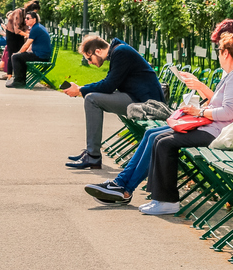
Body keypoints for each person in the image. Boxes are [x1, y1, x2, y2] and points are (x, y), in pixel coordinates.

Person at [134, 32, 233, 215]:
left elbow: (228, 112)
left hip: (220, 133)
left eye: (219, 50)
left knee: (165, 142)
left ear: (226, 53)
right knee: (160, 138)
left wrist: (199, 112)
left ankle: (167, 201)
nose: (218, 54)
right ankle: (159, 197)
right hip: (216, 128)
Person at [63, 34, 168, 171]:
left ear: (98, 51)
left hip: (146, 104)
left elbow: (108, 85)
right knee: (93, 96)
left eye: (89, 58)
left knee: (92, 99)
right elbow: (109, 83)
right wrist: (82, 89)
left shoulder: (121, 53)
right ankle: (91, 153)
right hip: (137, 97)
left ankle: (92, 155)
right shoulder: (119, 51)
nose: (89, 62)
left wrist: (80, 90)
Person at [5, 10, 51, 88]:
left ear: (34, 19)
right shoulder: (38, 27)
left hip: (41, 56)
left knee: (15, 57)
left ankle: (19, 81)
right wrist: (22, 53)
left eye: (28, 18)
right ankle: (21, 80)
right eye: (25, 18)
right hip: (43, 55)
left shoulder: (35, 29)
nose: (25, 20)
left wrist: (18, 53)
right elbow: (30, 45)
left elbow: (26, 45)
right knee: (21, 57)